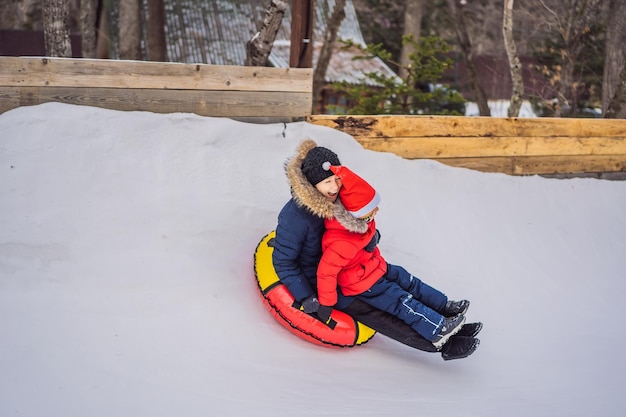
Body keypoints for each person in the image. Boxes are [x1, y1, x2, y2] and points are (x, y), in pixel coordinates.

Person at [272, 139, 480, 360]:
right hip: (325, 281)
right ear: (312, 185)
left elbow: (360, 222)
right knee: (379, 310)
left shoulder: (336, 196)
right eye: (326, 182)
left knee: (400, 279)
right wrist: (306, 297)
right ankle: (442, 345)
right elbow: (283, 261)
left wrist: (372, 238)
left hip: (354, 263)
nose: (334, 187)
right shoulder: (295, 216)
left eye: (336, 180)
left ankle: (447, 318)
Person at [317, 164, 467, 348]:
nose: (376, 211)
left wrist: (372, 238)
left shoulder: (362, 223)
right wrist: (326, 303)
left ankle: (443, 306)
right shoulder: (341, 241)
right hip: (362, 284)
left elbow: (365, 240)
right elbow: (326, 273)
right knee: (400, 300)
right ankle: (437, 329)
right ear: (358, 214)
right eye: (372, 209)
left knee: (409, 280)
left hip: (375, 267)